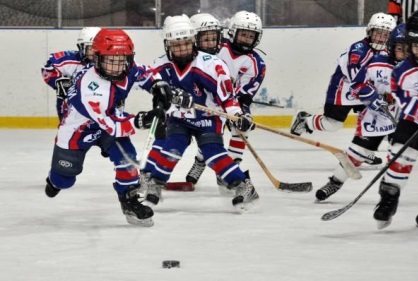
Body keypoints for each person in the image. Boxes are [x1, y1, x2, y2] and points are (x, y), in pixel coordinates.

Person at [44, 28, 171, 227]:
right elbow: (111, 124)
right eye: (110, 60)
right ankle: (54, 180)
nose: (116, 67)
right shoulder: (89, 86)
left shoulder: (126, 66)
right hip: (79, 130)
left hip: (110, 126)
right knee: (64, 180)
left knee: (127, 160)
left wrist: (158, 85)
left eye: (122, 60)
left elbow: (145, 73)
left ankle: (129, 201)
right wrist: (142, 120)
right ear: (97, 58)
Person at [140, 14, 259, 211]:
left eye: (186, 43)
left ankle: (243, 186)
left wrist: (239, 116)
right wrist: (173, 95)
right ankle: (156, 182)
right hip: (179, 119)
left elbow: (227, 98)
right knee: (172, 147)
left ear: (193, 41)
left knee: (213, 154)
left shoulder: (211, 64)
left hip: (208, 118)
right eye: (176, 45)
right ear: (167, 44)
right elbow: (152, 86)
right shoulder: (160, 65)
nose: (181, 49)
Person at [290, 13, 397, 166]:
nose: (381, 38)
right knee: (332, 124)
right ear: (369, 32)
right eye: (377, 33)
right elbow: (356, 80)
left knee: (375, 119)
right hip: (343, 90)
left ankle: (364, 150)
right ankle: (305, 120)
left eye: (385, 35)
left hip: (366, 90)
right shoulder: (359, 50)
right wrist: (374, 97)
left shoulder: (387, 53)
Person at [315, 23, 404, 202]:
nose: (404, 52)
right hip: (375, 116)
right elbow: (357, 83)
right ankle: (335, 182)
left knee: (401, 154)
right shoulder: (377, 63)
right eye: (400, 48)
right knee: (356, 154)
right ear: (391, 45)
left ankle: (389, 196)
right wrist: (372, 97)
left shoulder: (412, 67)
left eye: (408, 48)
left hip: (400, 116)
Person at [185, 11, 266, 191]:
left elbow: (245, 94)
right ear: (233, 32)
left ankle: (232, 164)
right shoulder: (216, 45)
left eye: (250, 36)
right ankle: (200, 161)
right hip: (206, 97)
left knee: (243, 127)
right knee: (212, 132)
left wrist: (239, 110)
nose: (246, 39)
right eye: (243, 34)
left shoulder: (256, 64)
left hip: (230, 100)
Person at [372, 9, 418, 229]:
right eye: (415, 46)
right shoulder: (402, 71)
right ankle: (389, 196)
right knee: (400, 150)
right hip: (414, 118)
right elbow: (403, 99)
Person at [41, 27, 101, 121]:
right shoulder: (70, 59)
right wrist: (58, 82)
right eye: (91, 48)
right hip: (73, 110)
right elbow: (48, 69)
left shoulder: (109, 63)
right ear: (81, 47)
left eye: (98, 48)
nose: (95, 52)